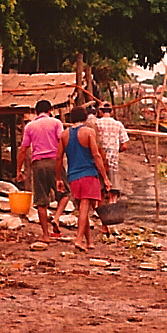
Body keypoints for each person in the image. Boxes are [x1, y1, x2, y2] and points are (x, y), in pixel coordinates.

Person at [56, 106, 111, 252]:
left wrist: (58, 179)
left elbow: (58, 158)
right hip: (88, 174)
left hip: (73, 175)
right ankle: (79, 239)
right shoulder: (89, 132)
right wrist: (105, 177)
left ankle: (89, 241)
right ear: (86, 118)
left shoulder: (64, 135)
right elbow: (96, 155)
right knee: (85, 206)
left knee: (82, 208)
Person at [16, 99, 63, 242]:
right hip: (55, 162)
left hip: (37, 164)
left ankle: (45, 235)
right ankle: (56, 217)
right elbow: (62, 141)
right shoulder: (56, 123)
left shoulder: (30, 126)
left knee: (41, 201)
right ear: (50, 111)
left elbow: (23, 149)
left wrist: (19, 169)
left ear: (35, 112)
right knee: (65, 193)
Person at [95, 102, 129, 204]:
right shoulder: (118, 125)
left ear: (100, 111)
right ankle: (111, 206)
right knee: (113, 188)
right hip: (113, 160)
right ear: (112, 111)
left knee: (100, 187)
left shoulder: (96, 123)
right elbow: (125, 145)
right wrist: (115, 149)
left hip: (99, 160)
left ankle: (98, 211)